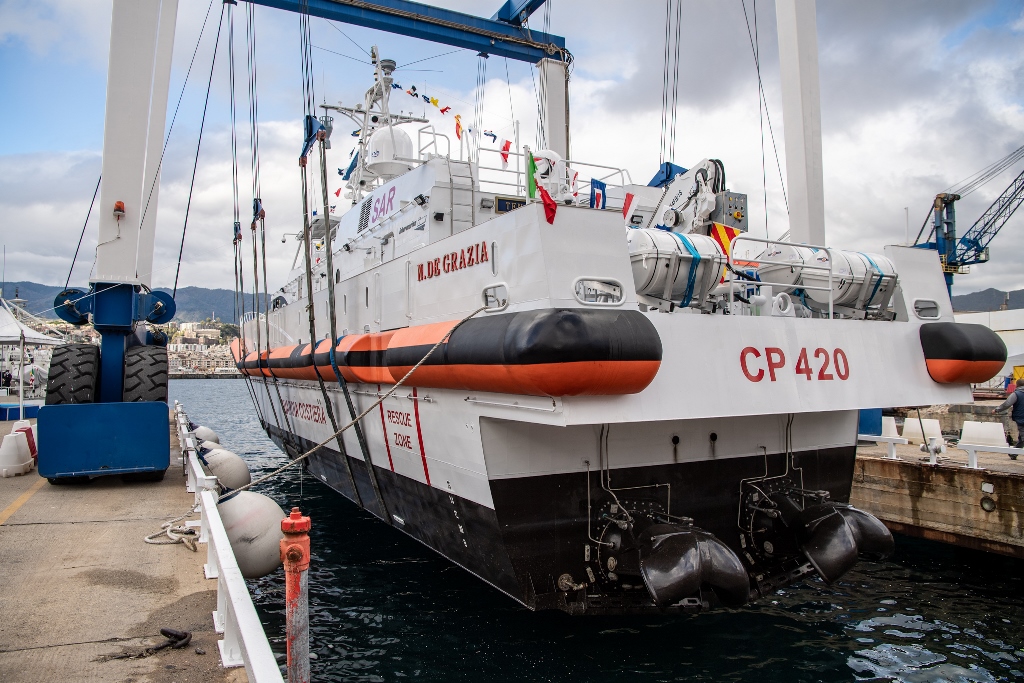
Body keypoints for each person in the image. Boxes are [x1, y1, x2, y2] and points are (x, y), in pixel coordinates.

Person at [995, 378, 1024, 448]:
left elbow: (1007, 404)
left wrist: (996, 410)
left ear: (1017, 385)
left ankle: (1014, 453)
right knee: (1021, 437)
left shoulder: (1016, 394)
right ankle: (1014, 453)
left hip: (1021, 418)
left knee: (1023, 436)